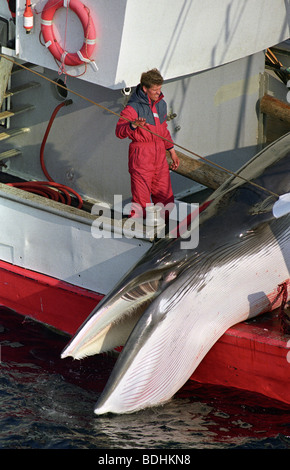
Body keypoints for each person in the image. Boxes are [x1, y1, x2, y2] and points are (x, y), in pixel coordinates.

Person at [115, 68, 179, 220]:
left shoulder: (161, 104)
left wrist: (172, 151)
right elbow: (119, 131)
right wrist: (133, 126)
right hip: (141, 158)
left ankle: (164, 228)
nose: (158, 92)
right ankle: (140, 229)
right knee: (141, 201)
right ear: (145, 89)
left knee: (165, 198)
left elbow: (163, 130)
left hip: (160, 159)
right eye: (155, 89)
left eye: (160, 89)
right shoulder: (132, 108)